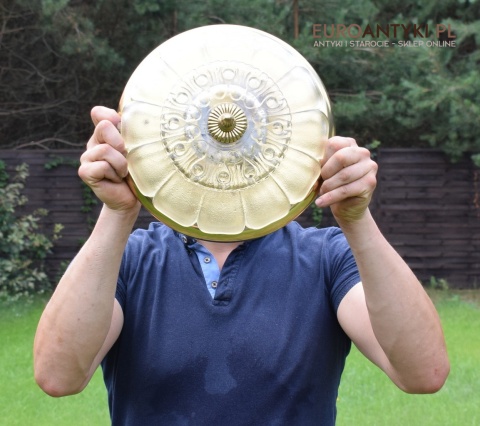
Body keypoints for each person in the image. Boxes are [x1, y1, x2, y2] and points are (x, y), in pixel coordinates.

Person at [34, 106, 449, 425]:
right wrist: (117, 212)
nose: (224, 151)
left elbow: (423, 373)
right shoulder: (128, 258)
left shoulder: (327, 257)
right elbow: (58, 376)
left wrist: (357, 221)